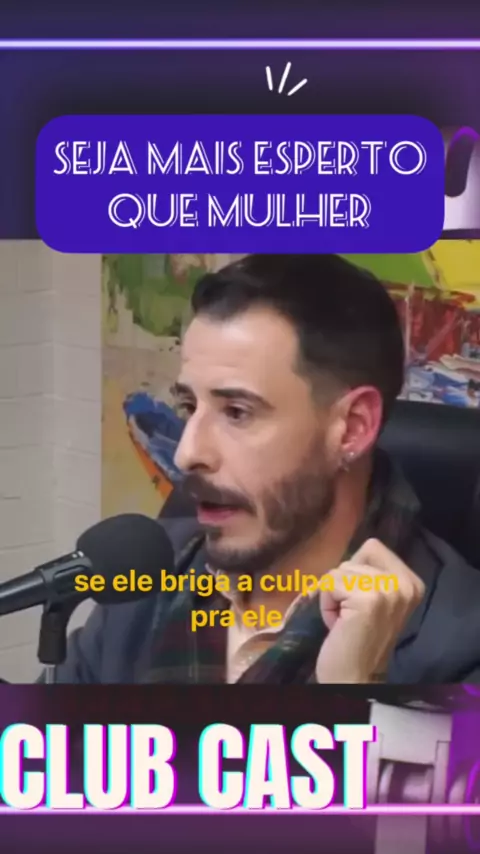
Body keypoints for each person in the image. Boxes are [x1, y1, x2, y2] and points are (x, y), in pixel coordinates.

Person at [42, 254, 480, 684]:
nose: (187, 453)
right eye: (189, 406)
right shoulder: (145, 581)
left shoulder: (459, 643)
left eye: (237, 412)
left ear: (352, 427)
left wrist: (352, 691)